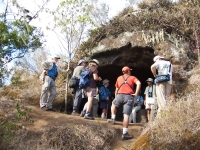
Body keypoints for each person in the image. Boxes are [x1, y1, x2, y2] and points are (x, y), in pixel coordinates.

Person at [107, 66, 141, 140]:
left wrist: (116, 97)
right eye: (130, 71)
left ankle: (113, 119)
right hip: (129, 96)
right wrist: (136, 93)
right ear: (128, 71)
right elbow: (139, 83)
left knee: (113, 104)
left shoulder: (119, 78)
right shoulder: (132, 77)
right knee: (126, 115)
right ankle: (125, 133)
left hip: (119, 95)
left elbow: (116, 89)